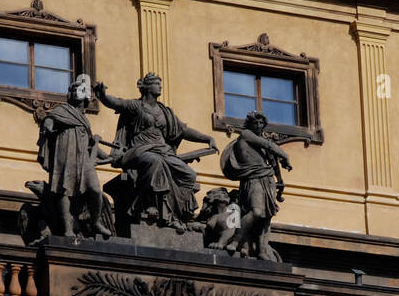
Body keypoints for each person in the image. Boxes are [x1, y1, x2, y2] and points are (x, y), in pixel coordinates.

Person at [94, 73, 216, 232]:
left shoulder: (165, 111)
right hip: (139, 149)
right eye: (156, 83)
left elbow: (184, 130)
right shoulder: (136, 106)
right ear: (146, 87)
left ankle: (176, 215)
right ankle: (150, 204)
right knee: (155, 162)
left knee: (188, 174)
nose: (160, 86)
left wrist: (207, 138)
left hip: (163, 151)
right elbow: (117, 103)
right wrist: (103, 96)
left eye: (160, 83)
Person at [33, 74, 114, 242]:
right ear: (71, 94)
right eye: (75, 90)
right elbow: (49, 120)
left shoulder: (84, 120)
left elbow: (91, 145)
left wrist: (109, 157)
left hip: (83, 158)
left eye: (81, 91)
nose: (78, 93)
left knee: (95, 190)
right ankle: (67, 229)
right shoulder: (62, 110)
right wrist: (47, 128)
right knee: (64, 190)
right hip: (65, 155)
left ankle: (96, 221)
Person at [219, 110, 291, 260]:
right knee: (256, 211)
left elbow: (273, 162)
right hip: (253, 178)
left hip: (267, 179)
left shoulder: (263, 144)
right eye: (255, 123)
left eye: (261, 123)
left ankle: (262, 251)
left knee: (266, 218)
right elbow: (269, 145)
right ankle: (236, 240)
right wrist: (286, 156)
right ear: (249, 124)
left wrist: (280, 180)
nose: (258, 125)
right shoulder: (247, 135)